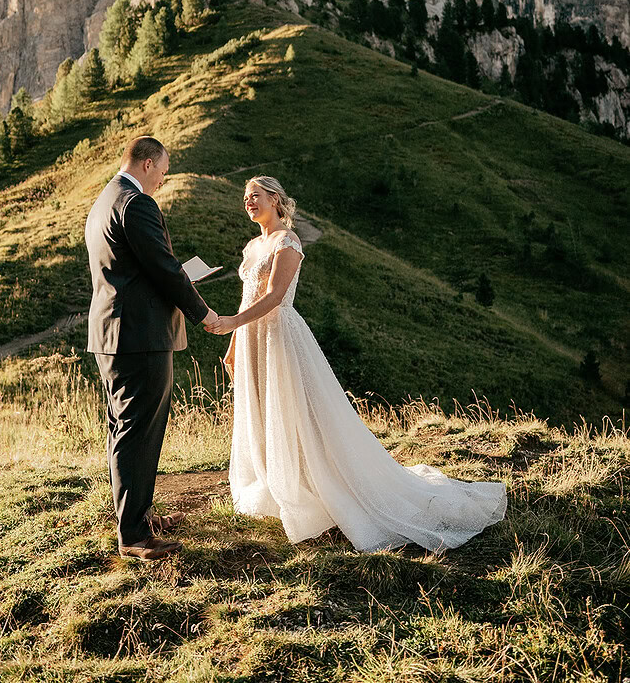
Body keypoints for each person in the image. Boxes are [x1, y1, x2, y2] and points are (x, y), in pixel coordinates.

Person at [205, 175, 507, 553]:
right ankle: (278, 486)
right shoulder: (253, 246)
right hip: (251, 338)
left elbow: (275, 296)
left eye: (256, 196)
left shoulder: (288, 242)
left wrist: (233, 323)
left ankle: (316, 486)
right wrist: (235, 342)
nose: (249, 202)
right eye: (246, 197)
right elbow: (245, 296)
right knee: (264, 413)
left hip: (278, 336)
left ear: (276, 201)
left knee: (294, 412)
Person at [85, 135, 219, 561]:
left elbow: (136, 267)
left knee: (124, 428)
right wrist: (203, 313)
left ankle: (134, 517)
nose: (163, 178)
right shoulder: (137, 203)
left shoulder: (105, 199)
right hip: (139, 336)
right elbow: (163, 267)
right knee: (138, 431)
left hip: (113, 334)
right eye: (162, 170)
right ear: (145, 164)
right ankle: (135, 536)